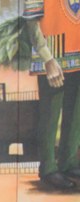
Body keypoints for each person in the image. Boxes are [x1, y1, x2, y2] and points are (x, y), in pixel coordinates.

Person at [23, 0, 80, 190]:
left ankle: (69, 162)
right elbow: (32, 23)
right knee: (50, 114)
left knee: (76, 113)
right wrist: (47, 59)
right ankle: (48, 168)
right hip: (53, 53)